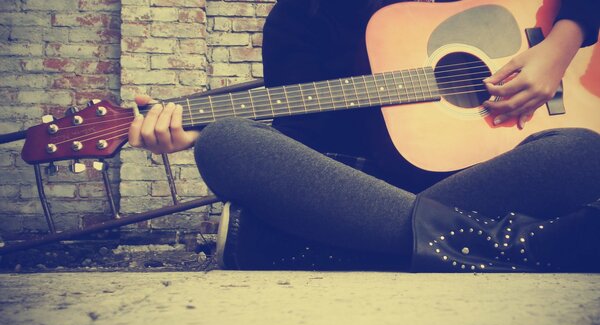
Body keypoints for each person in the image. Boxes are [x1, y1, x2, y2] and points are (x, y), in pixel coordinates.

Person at [128, 0, 600, 272]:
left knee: (583, 152)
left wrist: (558, 49)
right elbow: (306, 151)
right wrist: (189, 134)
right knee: (226, 141)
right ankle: (524, 245)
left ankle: (336, 249)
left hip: (487, 182)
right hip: (372, 194)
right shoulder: (302, 16)